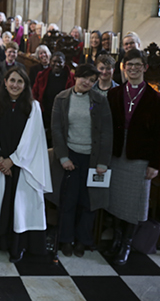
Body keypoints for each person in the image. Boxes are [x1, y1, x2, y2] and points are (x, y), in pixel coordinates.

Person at [105, 49, 160, 266]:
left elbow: (159, 134)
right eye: (129, 65)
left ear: (145, 68)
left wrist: (154, 164)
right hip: (117, 153)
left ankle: (127, 244)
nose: (133, 68)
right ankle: (117, 240)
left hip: (139, 156)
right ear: (124, 67)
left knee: (134, 202)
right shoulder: (115, 93)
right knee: (116, 199)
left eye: (138, 65)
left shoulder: (155, 97)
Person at [0, 67, 51, 262]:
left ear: (25, 85)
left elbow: (32, 139)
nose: (15, 85)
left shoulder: (33, 107)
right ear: (5, 82)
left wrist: (12, 160)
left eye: (20, 82)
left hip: (23, 166)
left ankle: (18, 246)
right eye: (12, 80)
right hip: (0, 165)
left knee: (21, 206)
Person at [51, 64, 112, 258]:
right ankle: (66, 239)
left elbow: (106, 133)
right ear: (75, 77)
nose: (87, 82)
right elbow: (57, 130)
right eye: (84, 78)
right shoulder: (61, 98)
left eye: (91, 80)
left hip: (93, 158)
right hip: (71, 155)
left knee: (88, 202)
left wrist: (103, 161)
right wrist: (63, 157)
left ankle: (83, 240)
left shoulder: (100, 100)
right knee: (68, 200)